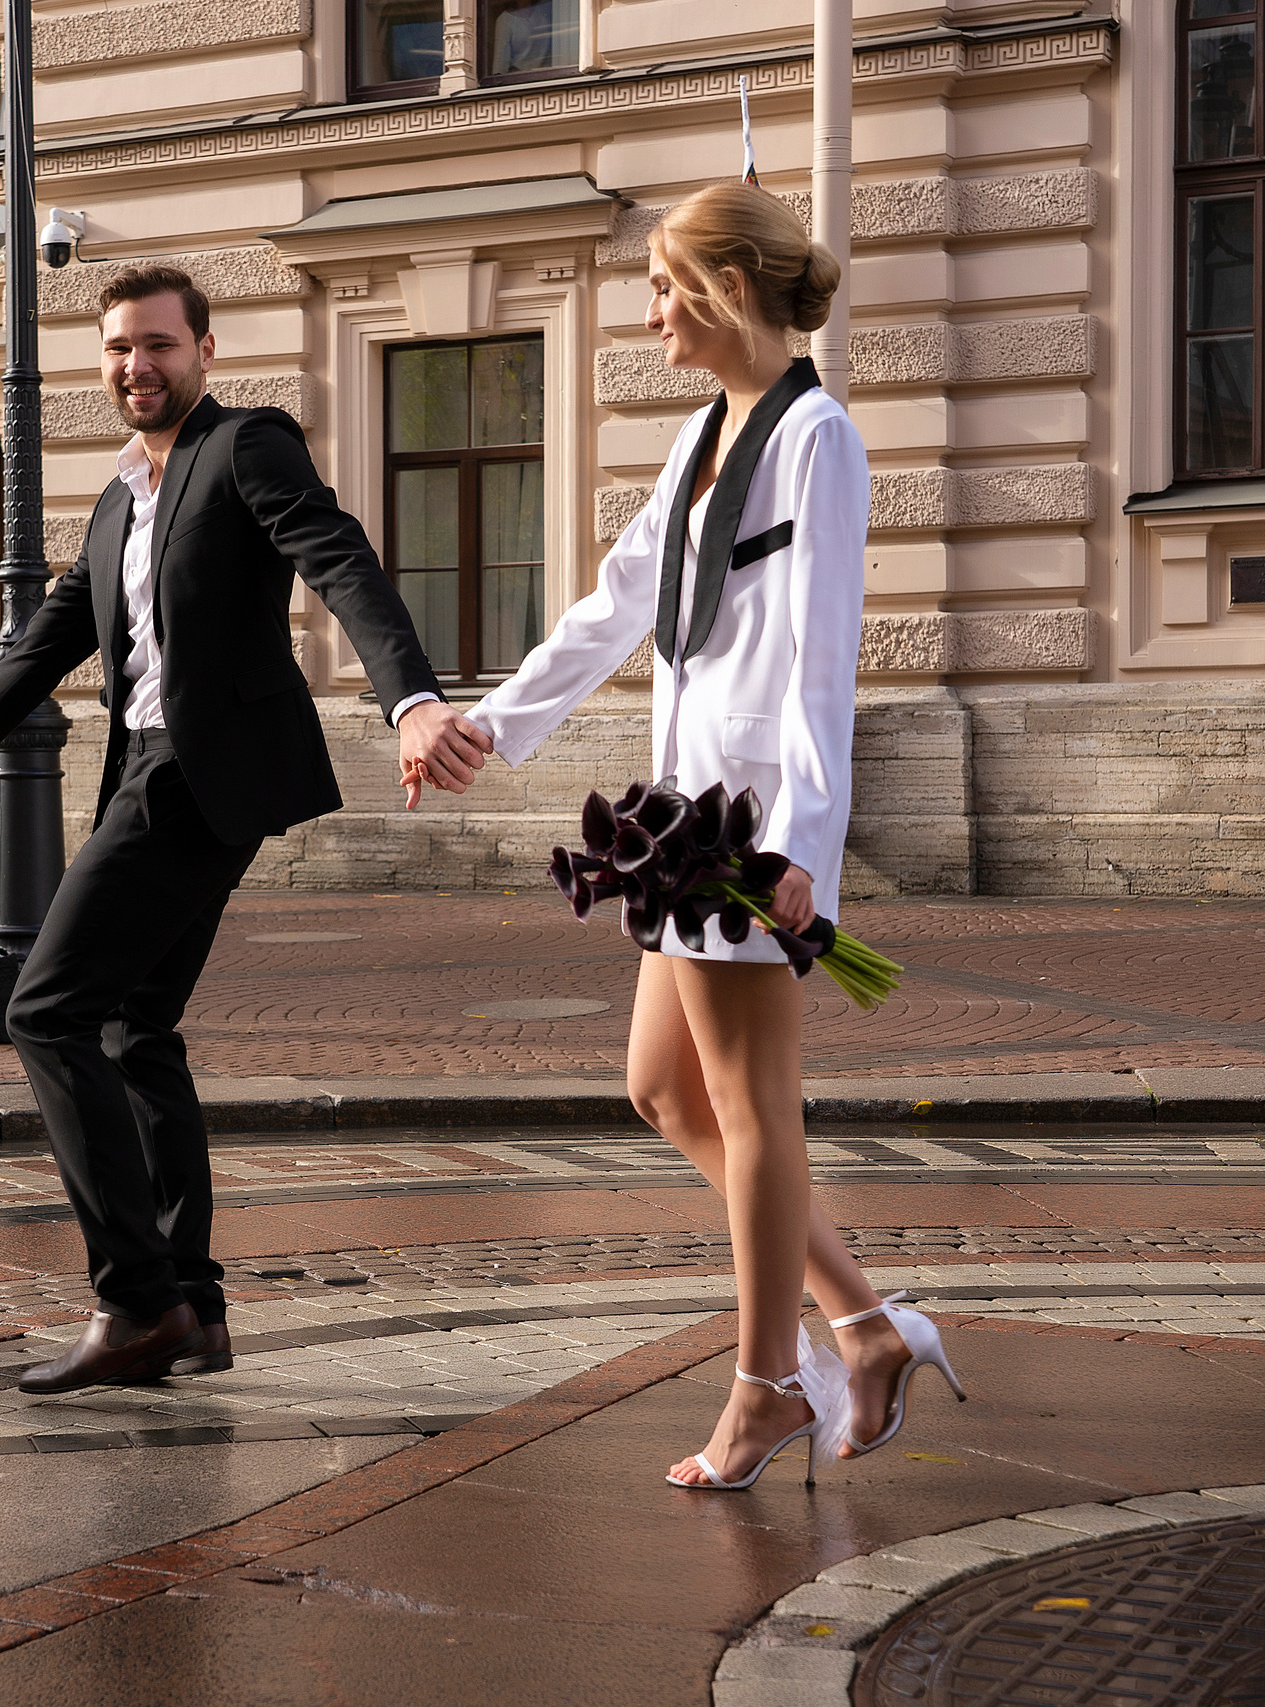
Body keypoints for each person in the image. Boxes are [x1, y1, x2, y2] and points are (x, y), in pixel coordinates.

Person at [0, 264, 492, 1394]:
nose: (135, 366)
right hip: (144, 774)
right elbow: (39, 653)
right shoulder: (112, 504)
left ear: (202, 349)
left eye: (156, 344)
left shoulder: (245, 446)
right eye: (116, 349)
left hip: (197, 780)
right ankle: (191, 1309)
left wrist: (412, 697)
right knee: (130, 1030)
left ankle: (134, 1299)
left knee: (47, 1010)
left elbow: (337, 557)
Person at [427, 184, 961, 1490]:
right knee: (665, 1089)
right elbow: (620, 600)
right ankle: (870, 1324)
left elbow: (820, 661)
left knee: (750, 1102)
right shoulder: (700, 438)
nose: (651, 308)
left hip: (750, 824)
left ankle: (768, 1384)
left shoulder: (816, 438)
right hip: (677, 815)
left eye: (668, 285)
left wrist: (802, 849)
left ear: (730, 285)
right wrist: (494, 725)